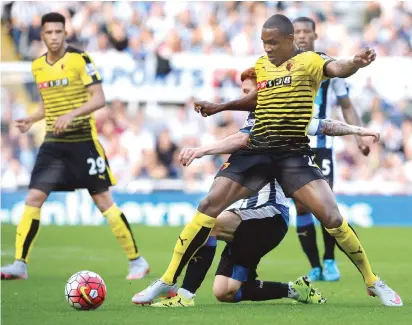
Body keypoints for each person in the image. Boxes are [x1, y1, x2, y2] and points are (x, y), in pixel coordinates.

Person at [133, 14, 402, 307]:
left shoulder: (311, 60)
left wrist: (355, 61)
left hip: (292, 152)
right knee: (208, 207)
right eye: (263, 42)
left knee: (333, 217)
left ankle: (373, 281)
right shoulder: (262, 65)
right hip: (257, 149)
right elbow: (254, 101)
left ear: (289, 40)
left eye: (273, 42)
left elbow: (338, 68)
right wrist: (220, 107)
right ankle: (167, 281)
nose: (267, 48)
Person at [0, 12, 149, 281]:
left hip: (83, 142)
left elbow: (99, 99)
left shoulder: (81, 60)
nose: (54, 37)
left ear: (65, 33)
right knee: (33, 198)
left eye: (59, 32)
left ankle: (137, 261)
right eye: (49, 33)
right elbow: (48, 102)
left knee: (103, 201)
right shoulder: (37, 67)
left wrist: (71, 114)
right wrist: (31, 118)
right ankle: (20, 264)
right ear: (42, 35)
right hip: (53, 144)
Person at [292, 16, 371, 282]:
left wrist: (359, 135)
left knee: (326, 206)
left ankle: (329, 261)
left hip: (322, 146)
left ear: (315, 35)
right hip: (292, 145)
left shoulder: (327, 66)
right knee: (301, 207)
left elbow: (346, 104)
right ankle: (314, 265)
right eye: (297, 32)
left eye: (306, 32)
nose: (302, 36)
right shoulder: (282, 66)